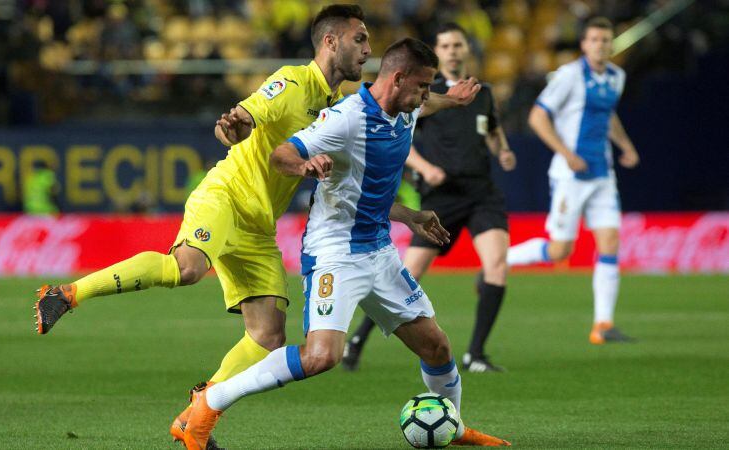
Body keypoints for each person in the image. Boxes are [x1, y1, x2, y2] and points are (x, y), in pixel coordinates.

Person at [33, 4, 371, 444]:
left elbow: (400, 101)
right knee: (187, 268)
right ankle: (65, 294)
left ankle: (196, 411)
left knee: (268, 335)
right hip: (227, 196)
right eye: (360, 39)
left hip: (258, 225)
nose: (368, 49)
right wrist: (234, 128)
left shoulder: (334, 103)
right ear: (332, 41)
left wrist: (451, 95)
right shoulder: (292, 81)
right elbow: (239, 121)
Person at [180, 38, 510, 450]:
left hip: (379, 250)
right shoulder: (346, 118)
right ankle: (209, 403)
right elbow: (281, 153)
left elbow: (428, 106)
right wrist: (305, 165)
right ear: (398, 79)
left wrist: (452, 103)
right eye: (424, 85)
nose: (426, 95)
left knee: (437, 345)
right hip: (334, 251)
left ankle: (453, 426)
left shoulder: (407, 109)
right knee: (322, 356)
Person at [343, 23, 517, 373]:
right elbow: (398, 132)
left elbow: (492, 130)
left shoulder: (482, 93)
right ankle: (358, 339)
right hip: (441, 196)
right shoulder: (423, 92)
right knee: (407, 275)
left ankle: (476, 354)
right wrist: (426, 166)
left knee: (497, 265)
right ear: (438, 51)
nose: (453, 50)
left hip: (481, 191)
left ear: (466, 49)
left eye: (458, 44)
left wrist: (504, 151)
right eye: (446, 45)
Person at [506, 17, 640, 344]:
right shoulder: (569, 76)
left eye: (606, 41)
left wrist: (625, 146)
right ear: (584, 44)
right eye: (595, 40)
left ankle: (603, 325)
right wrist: (566, 153)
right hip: (571, 175)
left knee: (610, 243)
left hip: (602, 173)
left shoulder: (616, 77)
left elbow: (607, 116)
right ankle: (500, 261)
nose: (601, 46)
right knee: (559, 250)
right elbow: (537, 117)